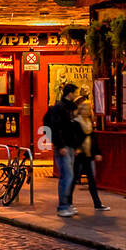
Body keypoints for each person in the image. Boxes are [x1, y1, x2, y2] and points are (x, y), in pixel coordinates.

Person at [44, 83, 83, 218]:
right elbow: (56, 127)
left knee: (70, 176)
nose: (76, 95)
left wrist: (76, 145)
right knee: (67, 176)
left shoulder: (70, 108)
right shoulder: (60, 108)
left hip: (70, 145)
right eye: (75, 92)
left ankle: (67, 204)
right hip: (64, 146)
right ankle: (63, 206)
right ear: (70, 93)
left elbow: (73, 128)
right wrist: (59, 145)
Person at [74, 99, 111, 211]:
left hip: (88, 154)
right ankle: (66, 203)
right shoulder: (76, 122)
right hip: (79, 154)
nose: (87, 111)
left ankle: (97, 203)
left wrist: (97, 152)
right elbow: (74, 137)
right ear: (80, 110)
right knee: (73, 179)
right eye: (85, 109)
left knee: (92, 180)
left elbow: (93, 139)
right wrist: (75, 148)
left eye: (88, 109)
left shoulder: (89, 122)